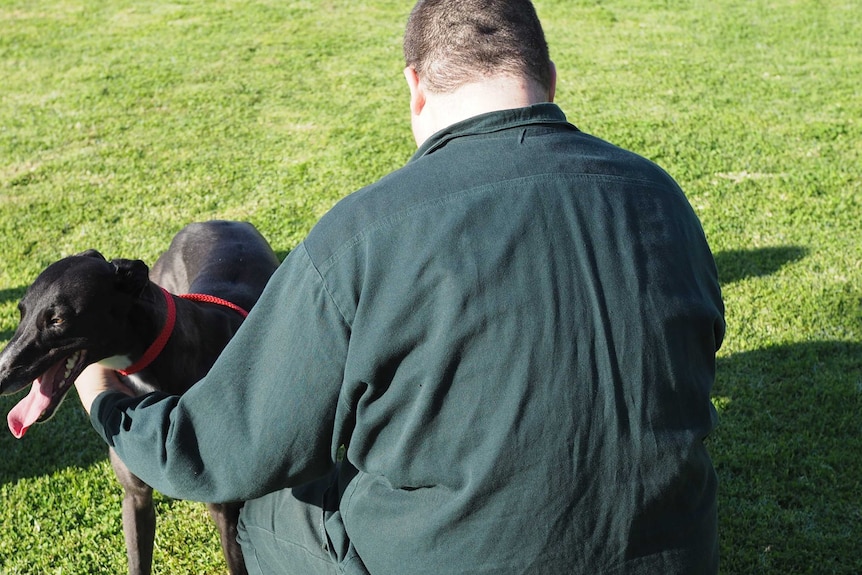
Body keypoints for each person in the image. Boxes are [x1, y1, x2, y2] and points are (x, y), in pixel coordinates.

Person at [75, 0, 726, 573]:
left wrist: (107, 400)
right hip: (675, 552)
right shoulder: (663, 198)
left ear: (415, 87)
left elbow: (218, 450)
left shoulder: (364, 236)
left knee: (261, 508)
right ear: (549, 82)